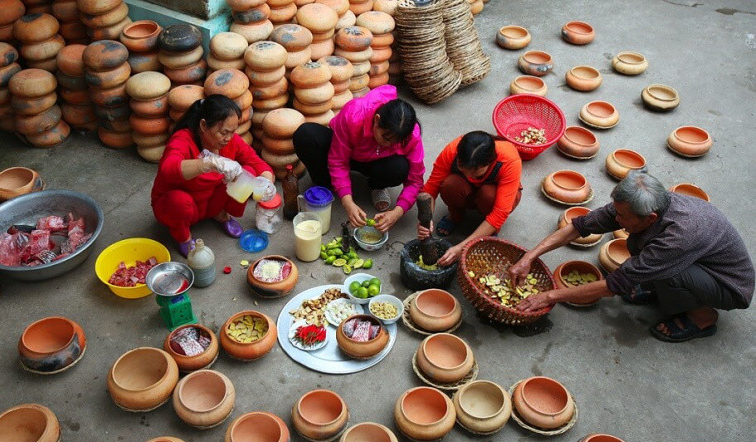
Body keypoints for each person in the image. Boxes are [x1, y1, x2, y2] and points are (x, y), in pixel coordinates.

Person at [508, 171, 754, 343]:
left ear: (651, 218)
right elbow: (580, 226)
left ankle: (703, 317)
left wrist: (548, 296)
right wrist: (529, 256)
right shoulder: (639, 205)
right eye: (616, 212)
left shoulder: (678, 235)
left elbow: (613, 286)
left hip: (728, 285)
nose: (616, 219)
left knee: (669, 274)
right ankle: (658, 287)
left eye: (622, 217)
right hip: (696, 260)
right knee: (636, 243)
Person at [152, 95, 274, 256]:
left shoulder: (230, 140)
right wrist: (208, 163)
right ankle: (183, 237)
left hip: (210, 201)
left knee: (248, 172)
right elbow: (167, 169)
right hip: (182, 205)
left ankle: (220, 214)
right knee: (179, 201)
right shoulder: (182, 139)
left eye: (232, 132)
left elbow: (257, 163)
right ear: (203, 125)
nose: (228, 138)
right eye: (223, 132)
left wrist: (266, 181)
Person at [293, 84, 425, 232]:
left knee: (400, 167)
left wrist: (397, 212)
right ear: (377, 120)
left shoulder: (410, 135)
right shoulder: (354, 114)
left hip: (377, 162)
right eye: (386, 138)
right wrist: (348, 202)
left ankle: (377, 185)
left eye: (395, 142)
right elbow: (338, 161)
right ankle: (326, 183)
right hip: (347, 151)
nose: (389, 144)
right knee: (306, 135)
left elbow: (415, 180)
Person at [417, 131, 522, 266]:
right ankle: (455, 216)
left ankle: (490, 231)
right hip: (466, 189)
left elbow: (499, 213)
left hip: (492, 195)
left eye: (476, 172)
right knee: (450, 185)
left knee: (488, 195)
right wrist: (426, 220)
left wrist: (461, 247)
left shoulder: (509, 160)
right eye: (462, 168)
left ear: (490, 162)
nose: (468, 176)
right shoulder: (452, 150)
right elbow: (431, 189)